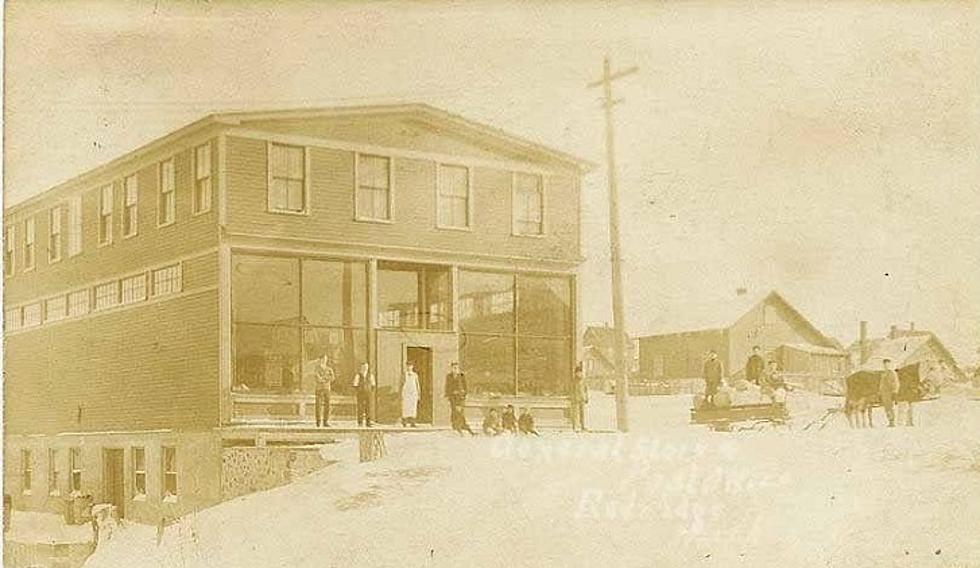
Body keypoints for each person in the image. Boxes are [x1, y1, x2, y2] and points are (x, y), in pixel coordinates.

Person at [445, 362, 474, 435]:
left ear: (458, 369)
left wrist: (464, 394)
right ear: (451, 368)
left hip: (460, 398)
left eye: (456, 368)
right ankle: (456, 427)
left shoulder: (462, 376)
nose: (455, 369)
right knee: (454, 412)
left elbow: (465, 386)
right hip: (453, 397)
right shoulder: (449, 376)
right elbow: (447, 386)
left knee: (460, 412)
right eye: (453, 368)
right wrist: (448, 394)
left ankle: (462, 426)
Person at [314, 354, 336, 427]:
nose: (324, 360)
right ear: (320, 360)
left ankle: (325, 421)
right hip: (319, 389)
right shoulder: (317, 368)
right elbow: (318, 378)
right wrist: (326, 378)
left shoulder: (329, 369)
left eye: (326, 359)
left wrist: (324, 378)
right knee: (318, 405)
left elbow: (332, 378)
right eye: (323, 359)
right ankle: (318, 422)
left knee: (327, 405)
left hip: (327, 389)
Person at [352, 362, 376, 427]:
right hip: (360, 393)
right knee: (360, 408)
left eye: (366, 367)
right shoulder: (358, 375)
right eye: (363, 367)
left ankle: (368, 422)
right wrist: (359, 391)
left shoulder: (370, 375)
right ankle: (360, 422)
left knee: (368, 407)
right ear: (361, 367)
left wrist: (370, 392)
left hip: (368, 393)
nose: (365, 368)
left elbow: (373, 384)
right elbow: (355, 384)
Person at [880, 358, 900, 428]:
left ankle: (892, 421)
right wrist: (880, 391)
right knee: (886, 407)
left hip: (890, 392)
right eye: (884, 365)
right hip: (884, 393)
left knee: (890, 407)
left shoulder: (892, 373)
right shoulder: (883, 374)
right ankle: (890, 420)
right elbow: (881, 384)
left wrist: (894, 392)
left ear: (889, 365)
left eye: (887, 365)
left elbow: (896, 383)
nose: (886, 366)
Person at [401, 362, 421, 428]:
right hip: (406, 393)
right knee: (406, 407)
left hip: (413, 393)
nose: (409, 367)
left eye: (410, 366)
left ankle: (413, 422)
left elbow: (417, 385)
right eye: (407, 366)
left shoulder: (415, 375)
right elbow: (401, 384)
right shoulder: (404, 375)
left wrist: (418, 394)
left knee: (413, 407)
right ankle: (405, 422)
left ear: (412, 367)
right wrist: (401, 393)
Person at [570, 362, 589, 432]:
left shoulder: (583, 380)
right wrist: (572, 398)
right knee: (576, 414)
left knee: (582, 414)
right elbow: (571, 390)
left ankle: (582, 426)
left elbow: (586, 389)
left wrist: (587, 397)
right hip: (576, 399)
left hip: (582, 398)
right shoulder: (574, 381)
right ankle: (575, 427)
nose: (579, 374)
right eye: (577, 372)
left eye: (580, 372)